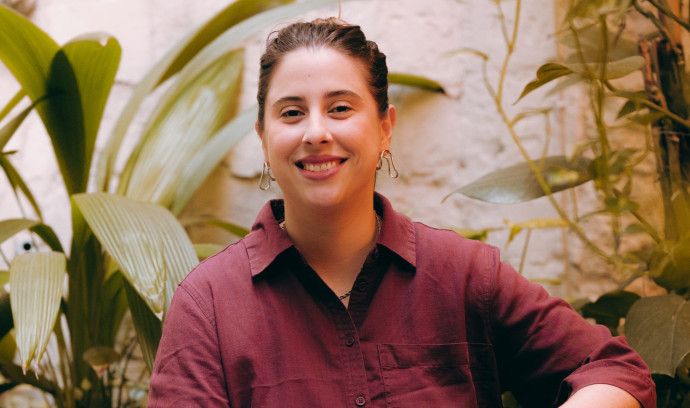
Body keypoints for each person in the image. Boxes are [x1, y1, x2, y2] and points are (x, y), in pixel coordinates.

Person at [148, 18, 656, 407]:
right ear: (263, 135)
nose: (316, 132)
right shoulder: (210, 305)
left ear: (385, 127)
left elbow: (615, 369)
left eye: (341, 107)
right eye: (292, 112)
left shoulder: (463, 276)